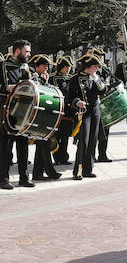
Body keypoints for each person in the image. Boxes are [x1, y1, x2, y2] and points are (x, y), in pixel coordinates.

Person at [66, 53, 105, 181]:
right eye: (95, 66)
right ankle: (78, 171)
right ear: (88, 66)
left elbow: (103, 91)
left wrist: (97, 79)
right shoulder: (75, 79)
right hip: (83, 113)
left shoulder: (95, 78)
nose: (97, 69)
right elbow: (70, 97)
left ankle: (89, 169)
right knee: (83, 142)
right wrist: (78, 102)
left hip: (95, 111)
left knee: (93, 141)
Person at [1, 40, 32, 189]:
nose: (29, 54)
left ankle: (24, 178)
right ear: (17, 51)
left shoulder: (25, 68)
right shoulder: (3, 65)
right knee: (6, 148)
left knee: (23, 144)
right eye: (26, 52)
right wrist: (7, 88)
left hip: (22, 111)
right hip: (6, 111)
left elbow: (30, 86)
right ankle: (3, 179)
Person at [29, 55, 61, 181]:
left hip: (43, 114)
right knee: (43, 143)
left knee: (42, 143)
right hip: (37, 115)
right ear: (37, 67)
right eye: (44, 66)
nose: (47, 68)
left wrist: (47, 83)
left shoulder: (42, 77)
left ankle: (38, 173)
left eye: (47, 66)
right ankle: (49, 171)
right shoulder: (33, 77)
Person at [51, 56, 74, 165]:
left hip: (68, 110)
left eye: (69, 66)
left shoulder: (71, 78)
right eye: (66, 66)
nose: (68, 69)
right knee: (57, 135)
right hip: (57, 110)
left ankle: (64, 156)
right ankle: (56, 156)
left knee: (65, 135)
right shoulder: (52, 78)